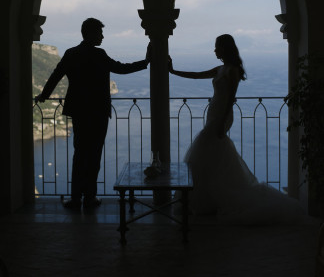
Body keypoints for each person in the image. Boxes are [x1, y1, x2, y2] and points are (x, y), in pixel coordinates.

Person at [169, 34, 304, 224]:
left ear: (225, 48)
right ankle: (206, 201)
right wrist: (173, 71)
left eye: (217, 47)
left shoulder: (231, 71)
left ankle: (204, 200)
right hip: (214, 114)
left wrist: (223, 122)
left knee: (204, 151)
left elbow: (231, 98)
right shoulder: (220, 69)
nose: (215, 50)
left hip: (220, 116)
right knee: (211, 155)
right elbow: (196, 75)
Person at [35, 18, 151, 210]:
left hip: (79, 111)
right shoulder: (99, 54)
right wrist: (145, 62)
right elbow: (121, 68)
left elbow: (56, 76)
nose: (102, 37)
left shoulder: (71, 53)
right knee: (94, 155)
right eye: (99, 33)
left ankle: (75, 199)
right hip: (98, 112)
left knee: (79, 155)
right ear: (90, 33)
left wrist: (44, 96)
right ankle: (90, 198)